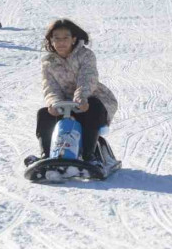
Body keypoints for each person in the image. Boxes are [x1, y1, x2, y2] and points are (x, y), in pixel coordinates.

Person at [35, 19, 118, 164]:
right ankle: (47, 156)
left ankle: (89, 156)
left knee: (93, 106)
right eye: (57, 38)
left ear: (73, 39)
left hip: (91, 99)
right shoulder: (48, 63)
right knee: (44, 113)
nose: (61, 42)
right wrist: (54, 104)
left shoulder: (85, 55)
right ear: (51, 40)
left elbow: (88, 78)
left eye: (65, 38)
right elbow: (50, 87)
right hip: (65, 104)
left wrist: (81, 98)